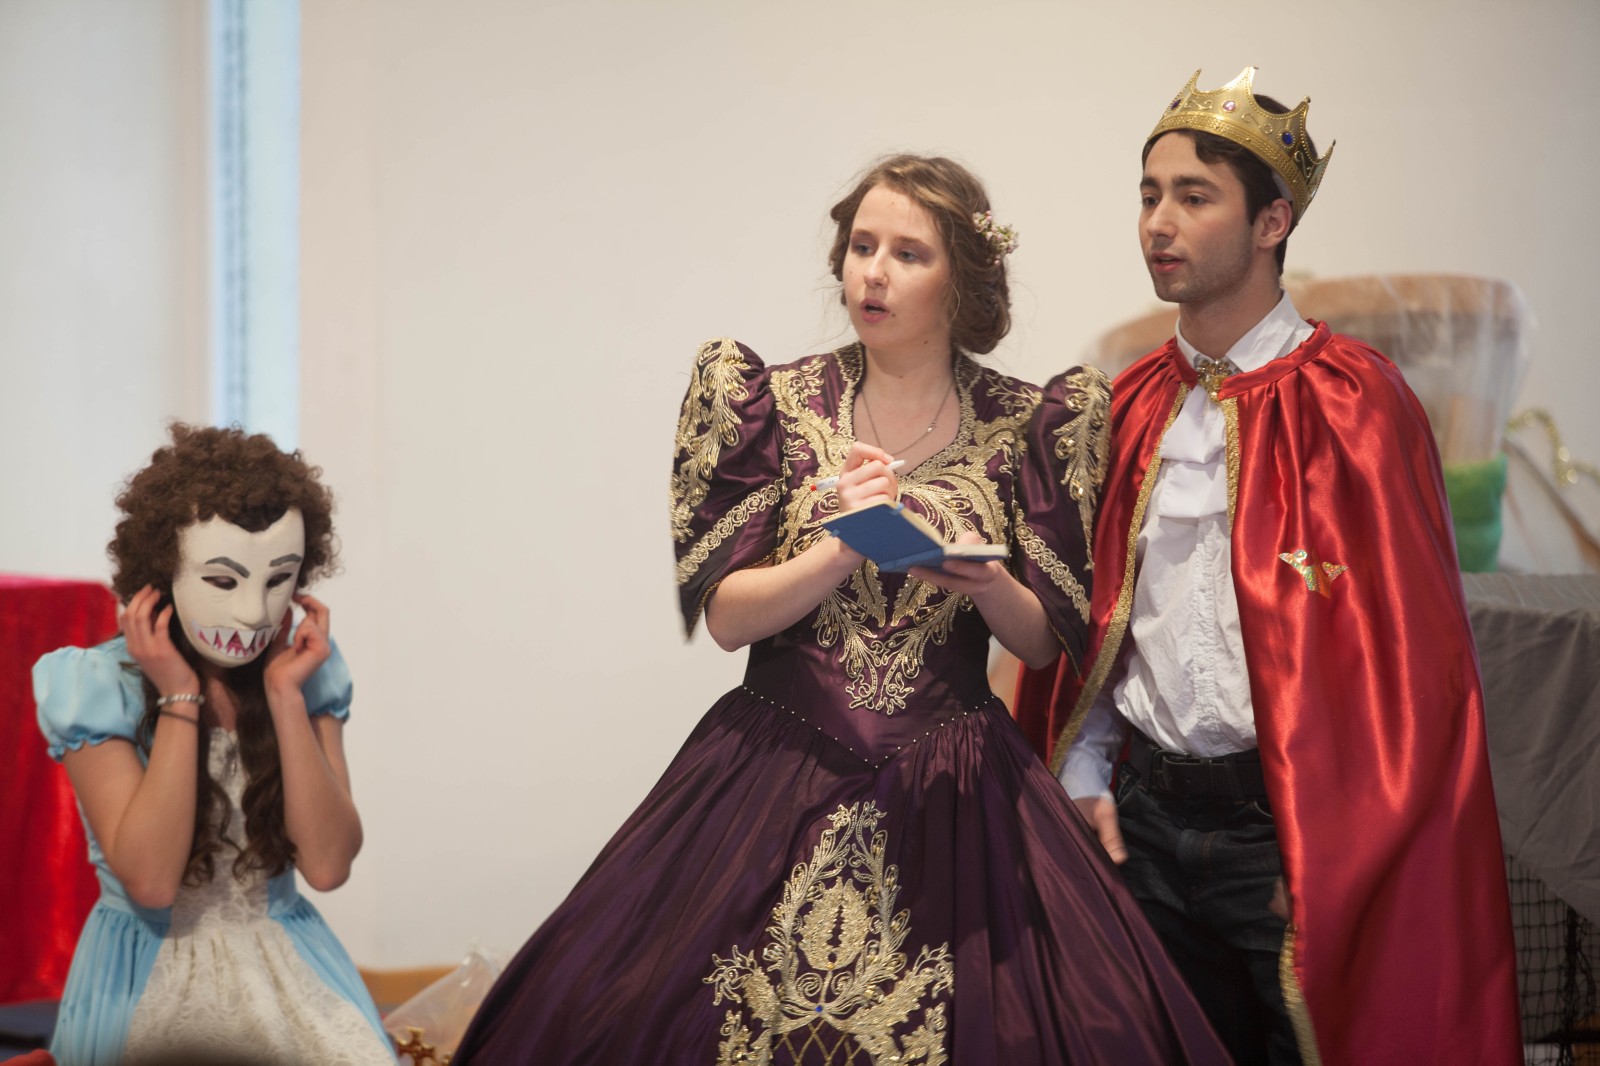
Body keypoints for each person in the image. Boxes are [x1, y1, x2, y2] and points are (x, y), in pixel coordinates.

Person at [453, 155, 1227, 1064]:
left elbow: (1042, 645)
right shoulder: (769, 403)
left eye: (908, 253)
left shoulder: (1032, 422)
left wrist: (982, 579)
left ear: (961, 280)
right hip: (775, 760)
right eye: (863, 247)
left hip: (957, 777)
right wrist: (842, 544)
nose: (874, 273)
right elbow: (729, 619)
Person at [1015, 68, 1522, 1065]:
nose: (1158, 222)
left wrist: (1337, 847)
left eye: (1193, 197)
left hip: (1290, 841)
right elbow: (1099, 625)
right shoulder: (1125, 407)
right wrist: (1080, 773)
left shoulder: (1358, 403)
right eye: (1148, 195)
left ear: (1270, 222)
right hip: (1142, 829)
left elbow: (1413, 673)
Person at [33, 424, 394, 1066]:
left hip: (287, 964)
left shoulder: (306, 674)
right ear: (161, 574)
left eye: (278, 580)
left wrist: (285, 697)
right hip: (148, 968)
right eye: (224, 582)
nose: (254, 613)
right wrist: (179, 696)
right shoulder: (100, 686)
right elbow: (151, 881)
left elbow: (327, 866)